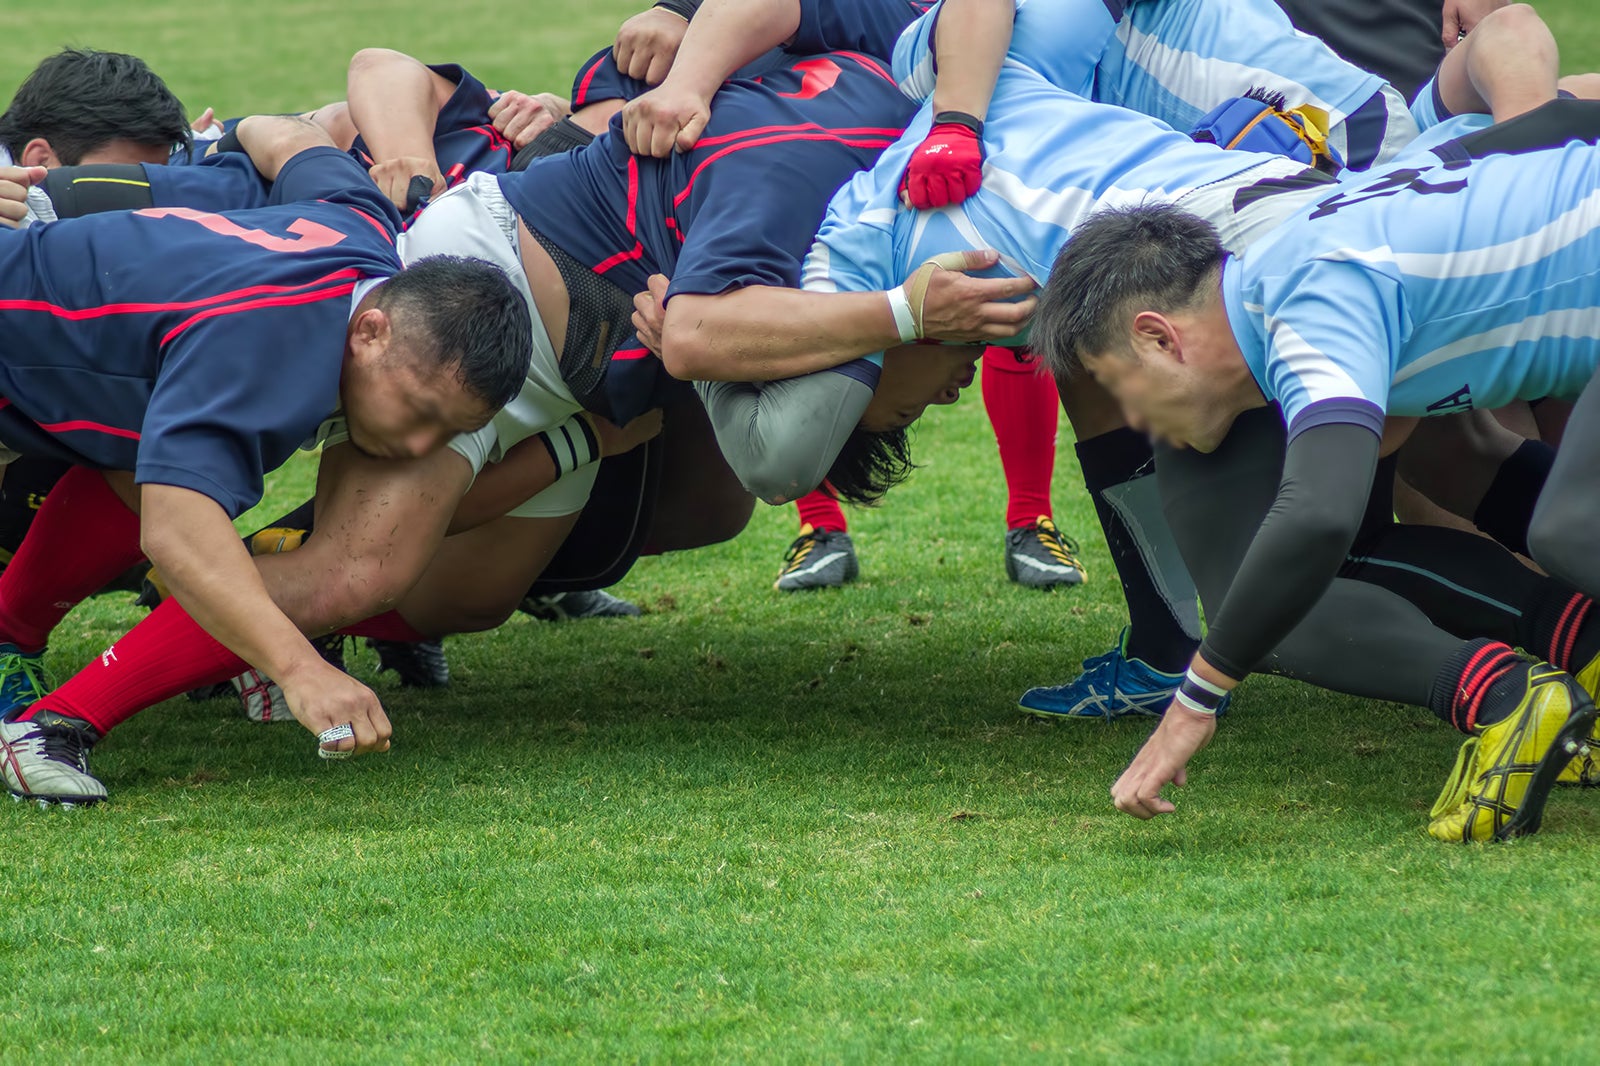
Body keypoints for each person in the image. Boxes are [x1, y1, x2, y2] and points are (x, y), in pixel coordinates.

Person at [1030, 104, 1600, 838]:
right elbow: (1533, 128)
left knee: (1573, 530)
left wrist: (1194, 701)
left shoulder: (1302, 297)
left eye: (1118, 385)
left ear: (1158, 337)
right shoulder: (1300, 257)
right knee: (1554, 511)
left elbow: (1319, 514)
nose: (1134, 420)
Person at [0, 115, 534, 803]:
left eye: (446, 433)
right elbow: (175, 532)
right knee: (192, 494)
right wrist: (297, 666)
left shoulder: (361, 230)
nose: (417, 447)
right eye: (420, 411)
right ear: (372, 330)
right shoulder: (273, 346)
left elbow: (287, 136)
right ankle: (38, 728)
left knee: (174, 462)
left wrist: (242, 126)